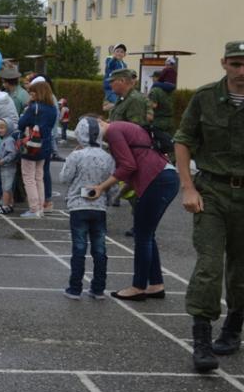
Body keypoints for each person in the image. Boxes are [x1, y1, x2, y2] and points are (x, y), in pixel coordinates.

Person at [174, 40, 244, 372]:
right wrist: (188, 188)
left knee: (241, 270)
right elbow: (183, 140)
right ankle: (201, 340)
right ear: (224, 63)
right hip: (213, 191)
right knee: (209, 265)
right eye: (236, 64)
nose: (242, 71)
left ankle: (233, 329)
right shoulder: (205, 98)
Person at [87, 118, 177, 301]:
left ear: (100, 122)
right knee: (147, 234)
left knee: (142, 235)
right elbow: (134, 167)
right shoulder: (123, 127)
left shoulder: (113, 131)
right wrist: (115, 194)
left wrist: (101, 187)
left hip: (157, 180)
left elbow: (128, 166)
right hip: (166, 177)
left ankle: (138, 287)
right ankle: (156, 284)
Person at [60, 116, 115, 300]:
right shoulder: (108, 157)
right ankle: (98, 289)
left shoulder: (76, 156)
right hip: (99, 207)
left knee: (79, 248)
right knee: (100, 249)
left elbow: (64, 178)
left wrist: (71, 158)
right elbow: (113, 184)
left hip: (78, 206)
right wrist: (108, 200)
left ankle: (75, 288)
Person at [17, 77, 58, 219]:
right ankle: (40, 207)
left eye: (32, 92)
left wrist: (27, 109)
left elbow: (21, 124)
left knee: (28, 177)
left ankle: (34, 209)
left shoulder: (33, 107)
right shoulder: (53, 108)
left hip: (31, 145)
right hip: (45, 145)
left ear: (38, 92)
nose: (30, 94)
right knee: (39, 177)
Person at [0, 119, 19, 214]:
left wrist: (3, 161)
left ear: (8, 128)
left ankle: (5, 206)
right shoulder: (5, 139)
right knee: (8, 187)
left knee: (6, 188)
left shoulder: (9, 140)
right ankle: (10, 204)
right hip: (5, 167)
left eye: (2, 128)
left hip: (8, 167)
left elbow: (12, 153)